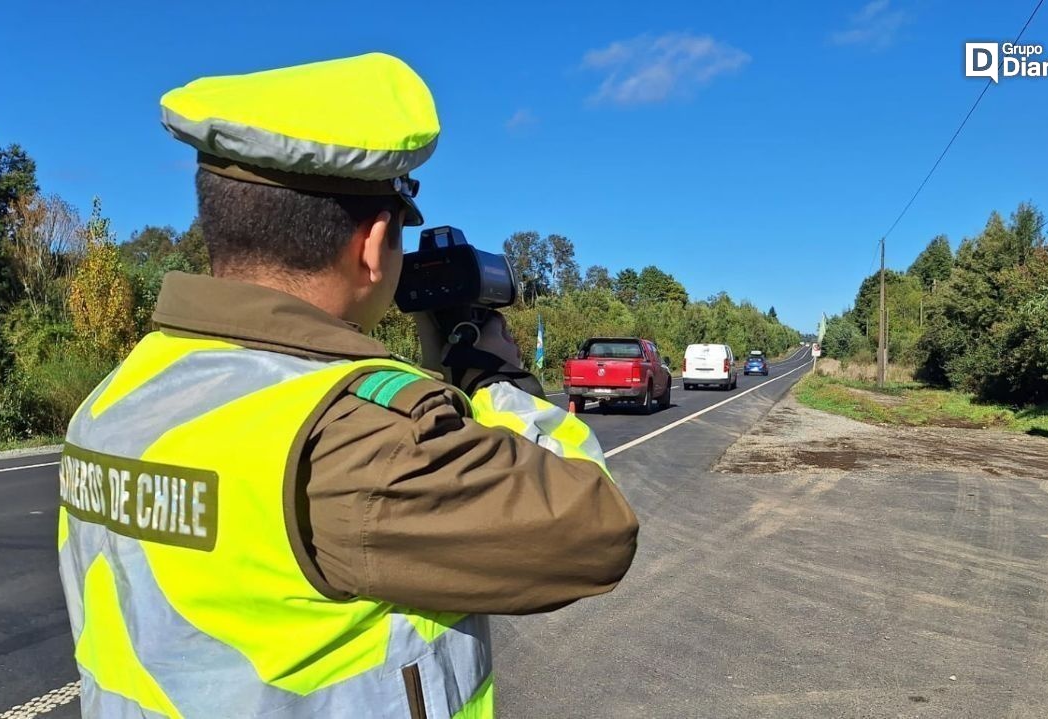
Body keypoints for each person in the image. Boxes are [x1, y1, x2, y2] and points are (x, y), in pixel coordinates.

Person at [56, 52, 638, 718]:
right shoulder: (367, 437)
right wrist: (488, 372)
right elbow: (597, 526)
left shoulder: (111, 401)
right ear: (373, 243)